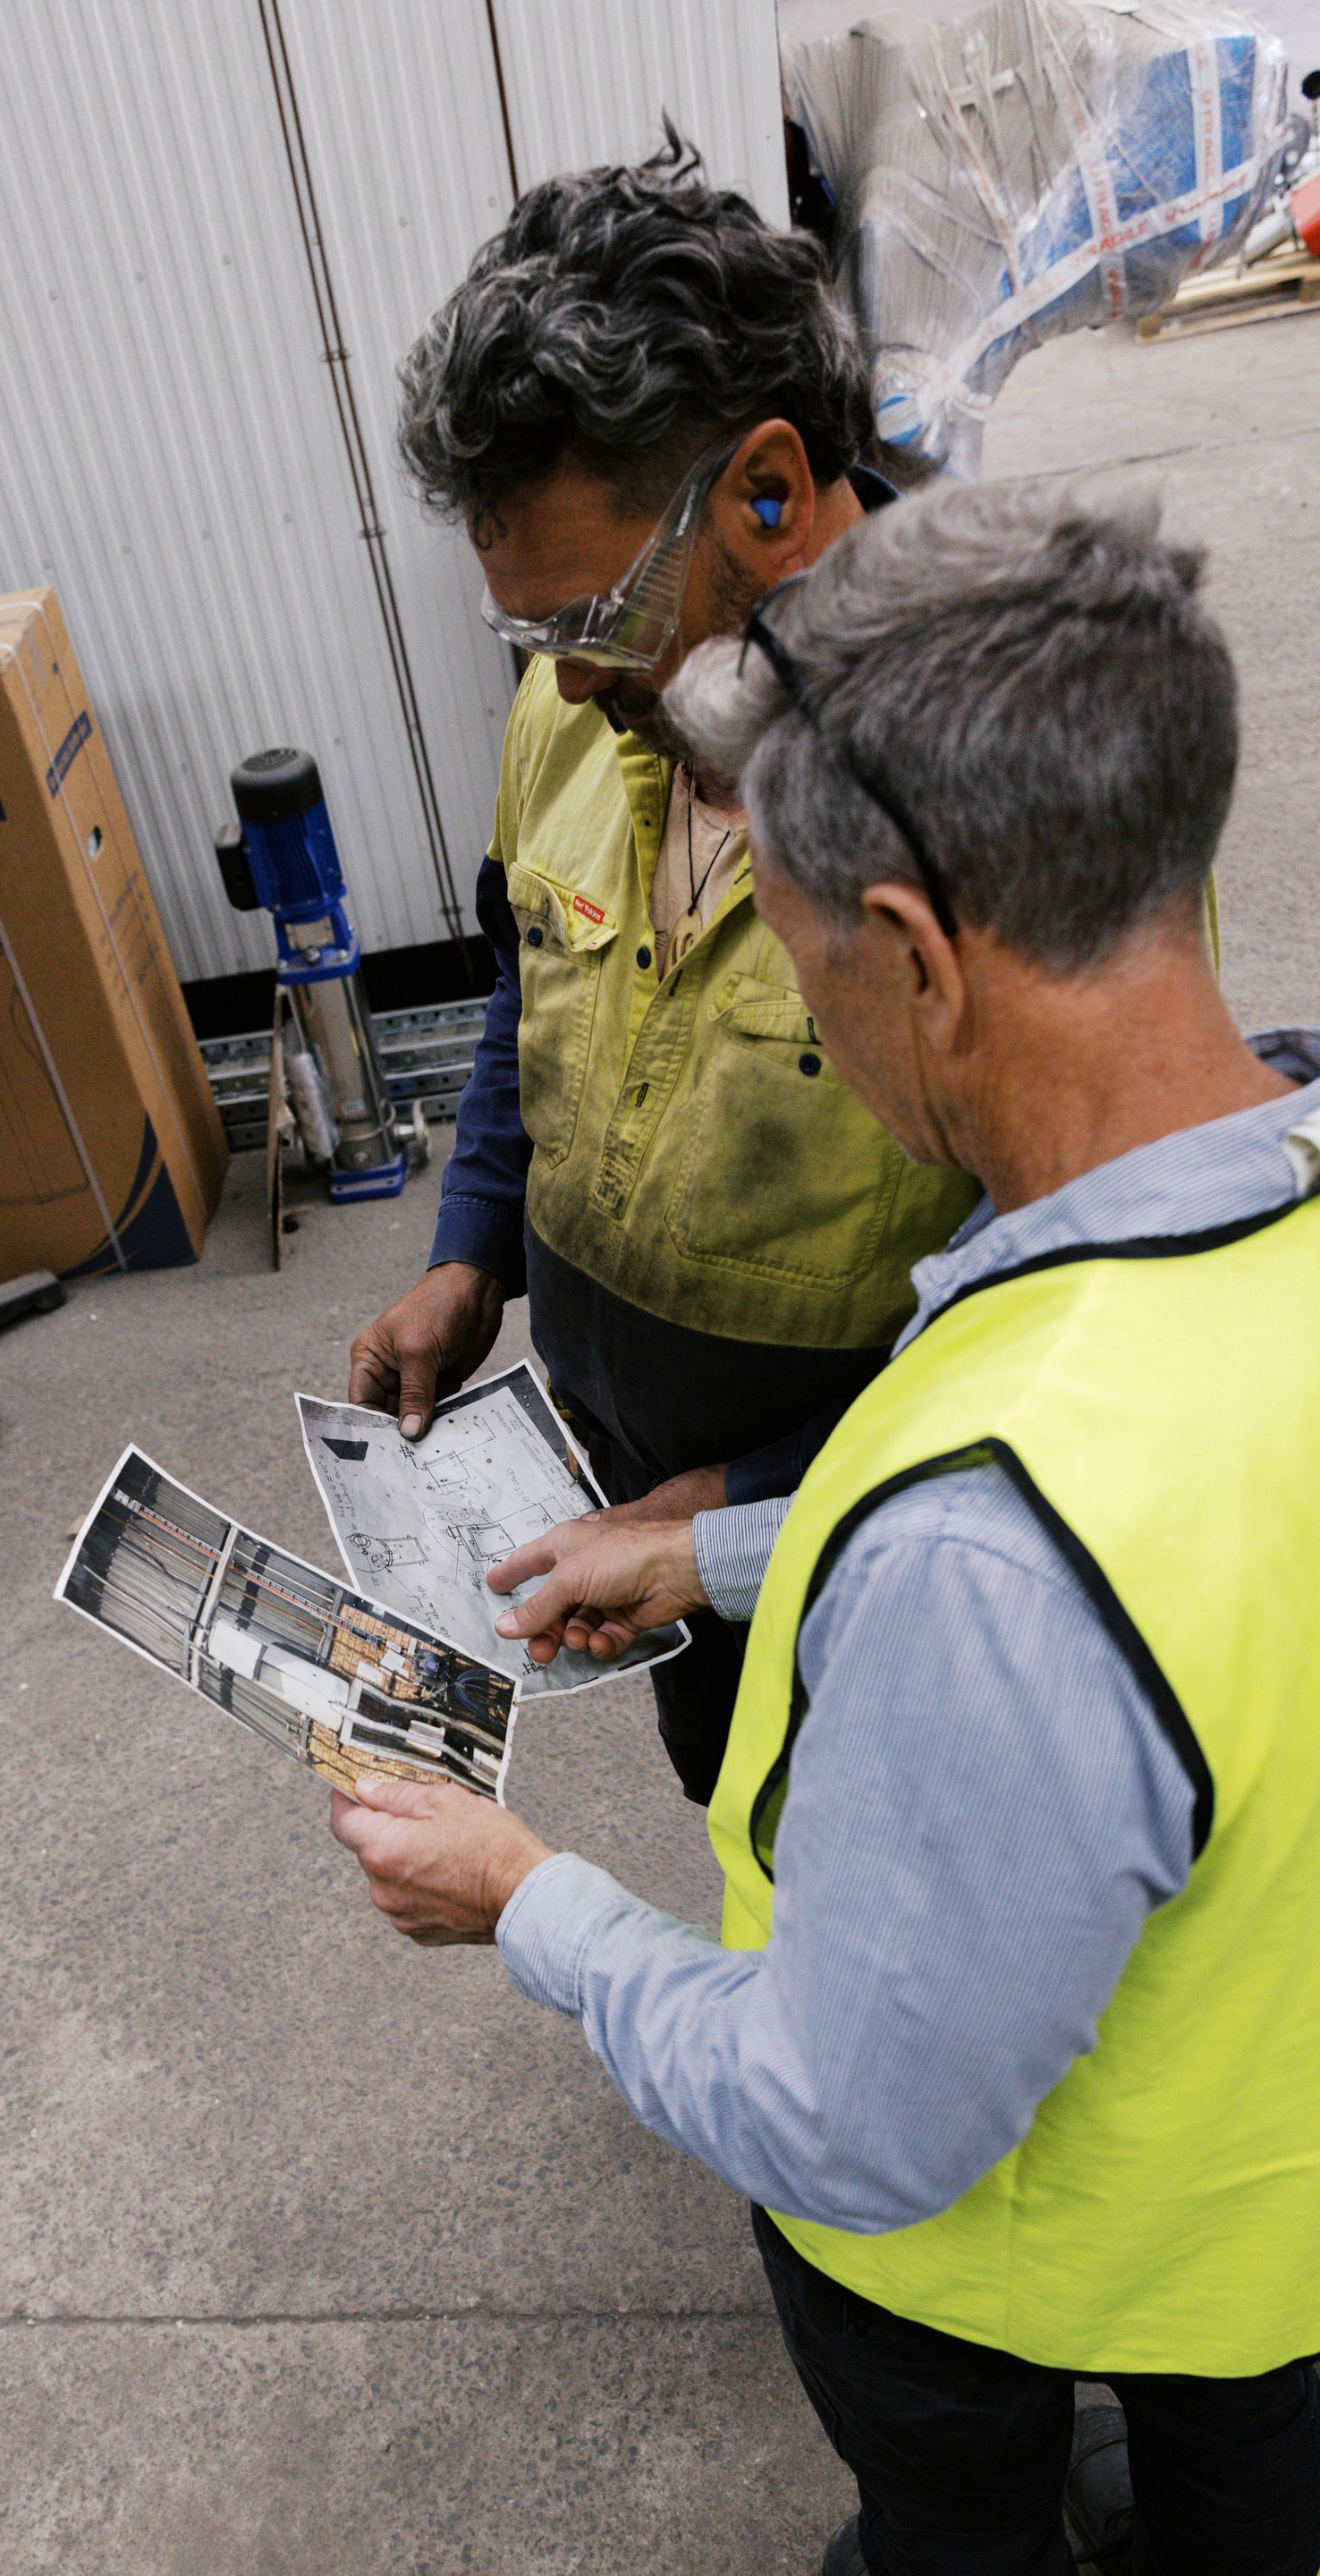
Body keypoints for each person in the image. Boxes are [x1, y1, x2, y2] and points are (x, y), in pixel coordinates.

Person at [331, 479, 1320, 2576]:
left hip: (1006, 2268)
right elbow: (1173, 1560)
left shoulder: (998, 1544)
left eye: (793, 974)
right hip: (1271, 2250)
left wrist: (529, 1904)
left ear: (913, 959)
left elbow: (842, 2121)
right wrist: (702, 1556)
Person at [348, 133, 977, 1805]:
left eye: (591, 617)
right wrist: (470, 1254)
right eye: (523, 634)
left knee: (902, 1855)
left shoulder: (1003, 785)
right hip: (631, 1493)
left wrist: (742, 1507)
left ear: (769, 490)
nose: (562, 676)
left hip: (881, 1535)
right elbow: (528, 983)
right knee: (744, 1809)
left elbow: (1069, 1291)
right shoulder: (584, 704)